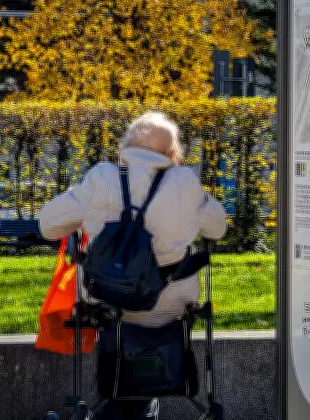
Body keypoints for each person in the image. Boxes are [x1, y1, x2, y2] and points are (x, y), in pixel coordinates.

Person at [38, 111, 228, 419]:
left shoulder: (101, 177)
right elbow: (217, 230)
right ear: (172, 153)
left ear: (126, 147)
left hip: (108, 300)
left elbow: (48, 225)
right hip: (172, 306)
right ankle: (145, 406)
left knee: (113, 316)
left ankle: (123, 408)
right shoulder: (185, 182)